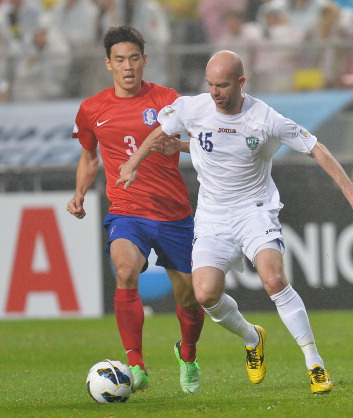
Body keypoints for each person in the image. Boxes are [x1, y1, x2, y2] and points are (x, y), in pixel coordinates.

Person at [117, 49, 353, 394]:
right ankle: (252, 337)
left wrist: (352, 192)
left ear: (241, 82)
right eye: (210, 84)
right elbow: (162, 132)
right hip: (212, 215)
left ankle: (315, 363)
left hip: (254, 210)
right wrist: (135, 161)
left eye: (222, 85)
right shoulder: (193, 107)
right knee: (205, 293)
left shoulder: (265, 118)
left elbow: (316, 147)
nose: (215, 92)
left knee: (273, 279)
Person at [66, 25, 205, 394]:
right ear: (107, 64)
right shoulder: (92, 109)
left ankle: (188, 354)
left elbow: (201, 139)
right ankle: (135, 364)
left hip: (174, 212)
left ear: (144, 60)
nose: (127, 66)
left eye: (133, 58)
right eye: (119, 60)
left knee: (191, 297)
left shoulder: (167, 100)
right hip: (127, 210)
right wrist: (79, 193)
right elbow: (88, 157)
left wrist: (181, 147)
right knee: (125, 270)